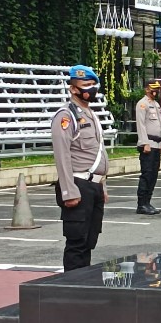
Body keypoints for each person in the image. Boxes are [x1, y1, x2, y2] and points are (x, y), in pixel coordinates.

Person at [52, 65, 109, 272]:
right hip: (78, 185)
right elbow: (62, 155)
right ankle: (72, 286)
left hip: (92, 185)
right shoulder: (66, 116)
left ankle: (83, 284)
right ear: (73, 89)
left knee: (89, 240)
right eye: (86, 85)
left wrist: (102, 185)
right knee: (77, 242)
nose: (91, 89)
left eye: (93, 85)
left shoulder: (90, 114)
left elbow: (97, 152)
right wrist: (68, 191)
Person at [135, 80, 161, 215]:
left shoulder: (156, 105)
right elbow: (141, 125)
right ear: (147, 89)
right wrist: (144, 142)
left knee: (153, 175)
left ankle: (148, 201)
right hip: (148, 144)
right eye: (154, 88)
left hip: (156, 144)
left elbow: (159, 125)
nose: (156, 91)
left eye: (158, 89)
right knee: (147, 174)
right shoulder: (142, 104)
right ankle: (142, 204)